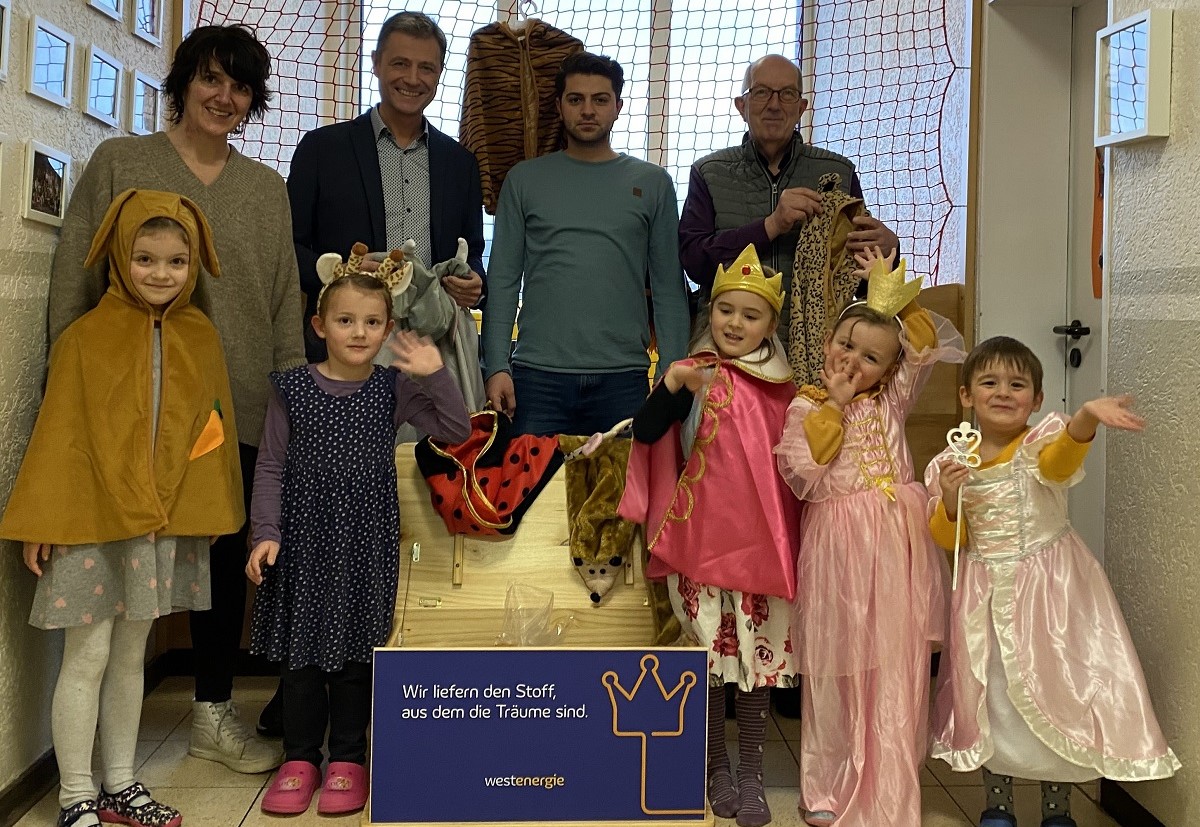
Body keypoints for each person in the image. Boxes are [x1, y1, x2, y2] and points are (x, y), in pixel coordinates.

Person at [47, 24, 304, 774]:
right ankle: (92, 760)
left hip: (242, 408)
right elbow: (75, 281)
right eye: (212, 80)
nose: (225, 97)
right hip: (137, 415)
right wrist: (66, 391)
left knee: (225, 564)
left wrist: (291, 404)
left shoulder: (267, 189)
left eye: (241, 87)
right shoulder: (121, 162)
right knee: (124, 566)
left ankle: (211, 712)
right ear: (184, 82)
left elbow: (286, 304)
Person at [1, 190, 244, 827]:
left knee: (132, 653)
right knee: (87, 654)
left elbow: (212, 428)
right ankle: (75, 794)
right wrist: (46, 518)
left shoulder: (203, 337)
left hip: (164, 524)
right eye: (143, 258)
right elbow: (61, 432)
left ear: (195, 264)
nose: (160, 273)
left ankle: (121, 785)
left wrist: (209, 509)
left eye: (174, 260)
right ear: (118, 254)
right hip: (91, 523)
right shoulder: (85, 340)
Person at [926, 337, 1180, 827]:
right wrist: (950, 498)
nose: (1004, 392)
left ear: (1037, 399)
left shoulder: (1041, 442)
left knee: (1056, 690)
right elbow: (949, 539)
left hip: (1052, 595)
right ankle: (997, 804)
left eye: (1018, 384)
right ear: (966, 395)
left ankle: (1056, 807)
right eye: (989, 383)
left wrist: (1085, 417)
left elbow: (1062, 461)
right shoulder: (951, 463)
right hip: (985, 598)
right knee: (994, 698)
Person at [246, 265, 471, 816]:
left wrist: (435, 371)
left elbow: (457, 430)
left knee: (353, 656)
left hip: (366, 544)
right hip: (301, 542)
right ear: (320, 324)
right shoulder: (292, 389)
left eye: (372, 322)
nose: (357, 332)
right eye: (345, 320)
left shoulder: (391, 387)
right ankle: (299, 757)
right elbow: (271, 466)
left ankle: (348, 757)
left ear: (388, 328)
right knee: (300, 660)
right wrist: (265, 533)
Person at [773, 248, 962, 827]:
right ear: (828, 341)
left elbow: (925, 341)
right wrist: (835, 401)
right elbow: (807, 472)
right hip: (838, 546)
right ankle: (828, 787)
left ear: (889, 368)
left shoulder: (894, 398)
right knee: (838, 665)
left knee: (897, 664)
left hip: (896, 544)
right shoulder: (805, 404)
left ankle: (890, 791)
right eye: (845, 345)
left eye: (872, 357)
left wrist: (892, 291)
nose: (854, 360)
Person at [621, 245, 800, 827]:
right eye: (726, 310)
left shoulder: (784, 388)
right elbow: (648, 433)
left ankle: (750, 770)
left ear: (771, 325)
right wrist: (673, 385)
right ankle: (714, 766)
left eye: (750, 315)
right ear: (711, 312)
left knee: (755, 667)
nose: (735, 324)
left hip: (759, 557)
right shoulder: (693, 371)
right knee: (708, 662)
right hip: (699, 551)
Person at [481, 51, 691, 436]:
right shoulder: (524, 180)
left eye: (600, 99)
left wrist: (671, 371)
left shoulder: (654, 183)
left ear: (618, 107)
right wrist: (496, 366)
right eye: (576, 99)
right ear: (560, 106)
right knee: (535, 496)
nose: (588, 110)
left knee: (622, 497)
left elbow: (668, 287)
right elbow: (504, 280)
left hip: (624, 380)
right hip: (535, 378)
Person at [287, 10, 487, 374]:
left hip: (431, 353)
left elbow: (471, 252)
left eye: (426, 68)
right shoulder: (321, 150)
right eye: (400, 63)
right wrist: (338, 274)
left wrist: (475, 282)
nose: (412, 79)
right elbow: (288, 249)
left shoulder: (460, 164)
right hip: (346, 351)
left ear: (439, 73)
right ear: (376, 64)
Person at [678, 54, 899, 323]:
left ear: (801, 107)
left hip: (819, 350)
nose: (774, 105)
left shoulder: (839, 172)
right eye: (761, 92)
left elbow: (858, 282)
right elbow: (694, 264)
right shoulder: (709, 172)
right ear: (741, 106)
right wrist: (770, 226)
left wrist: (889, 253)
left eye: (787, 94)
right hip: (729, 346)